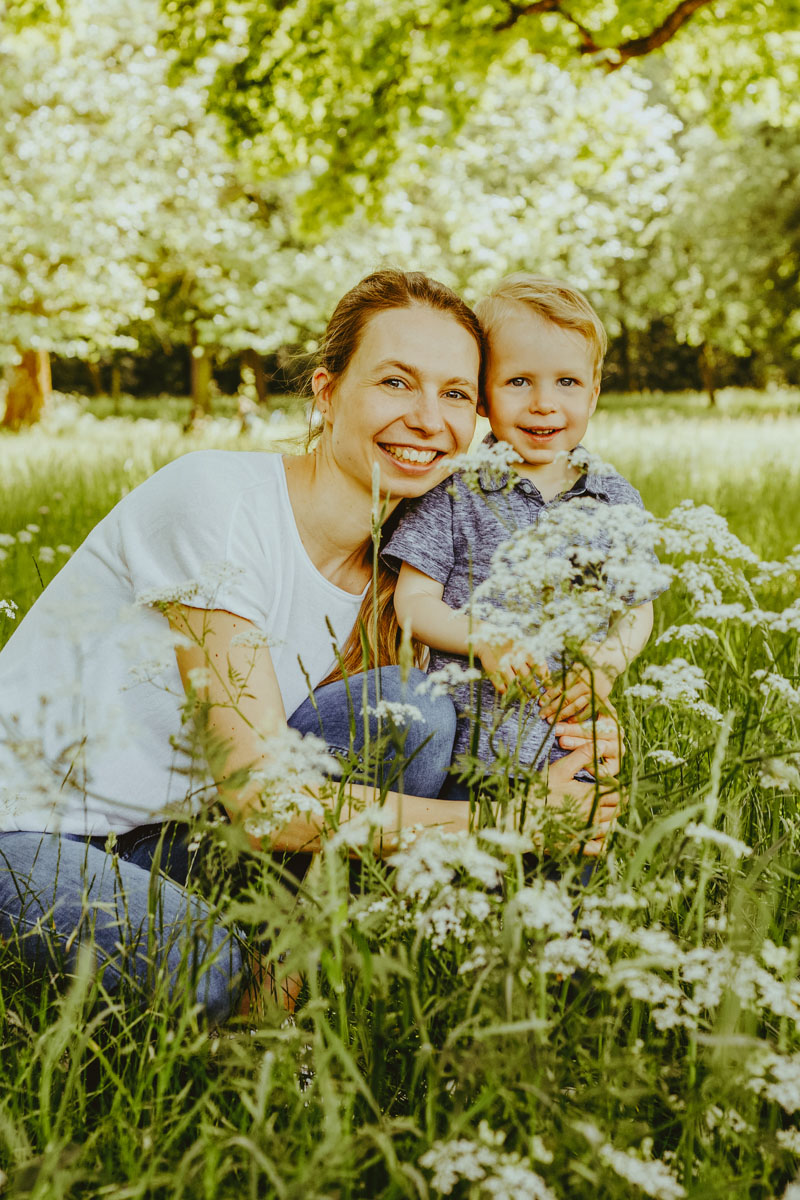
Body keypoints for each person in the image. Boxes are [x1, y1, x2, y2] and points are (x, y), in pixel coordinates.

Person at [0, 270, 620, 1024]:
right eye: (396, 382)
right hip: (29, 828)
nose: (428, 418)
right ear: (326, 391)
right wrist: (516, 824)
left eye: (456, 393)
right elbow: (266, 805)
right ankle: (254, 1004)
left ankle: (283, 998)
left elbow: (449, 727)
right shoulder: (218, 503)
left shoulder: (405, 575)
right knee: (211, 974)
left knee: (410, 711)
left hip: (176, 838)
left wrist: (569, 728)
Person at [385, 273, 655, 803]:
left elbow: (636, 607)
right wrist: (481, 636)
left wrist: (604, 664)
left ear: (595, 393)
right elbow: (412, 602)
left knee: (565, 879)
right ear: (483, 397)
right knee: (462, 879)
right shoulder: (454, 490)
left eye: (567, 383)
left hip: (570, 745)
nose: (543, 403)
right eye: (519, 382)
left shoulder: (613, 501)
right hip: (468, 755)